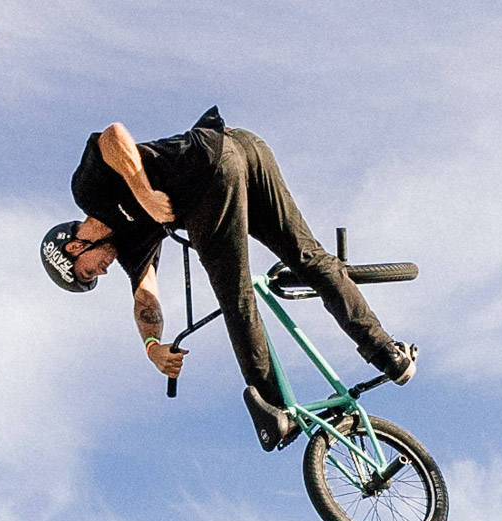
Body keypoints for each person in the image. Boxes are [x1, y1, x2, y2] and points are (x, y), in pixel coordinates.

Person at [41, 107, 417, 452]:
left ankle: (275, 410)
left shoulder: (88, 193)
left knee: (235, 296)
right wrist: (152, 347)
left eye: (89, 271)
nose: (101, 271)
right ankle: (389, 354)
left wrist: (146, 194)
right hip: (242, 148)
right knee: (308, 257)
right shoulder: (131, 246)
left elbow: (112, 136)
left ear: (73, 247)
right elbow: (145, 297)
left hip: (209, 171)